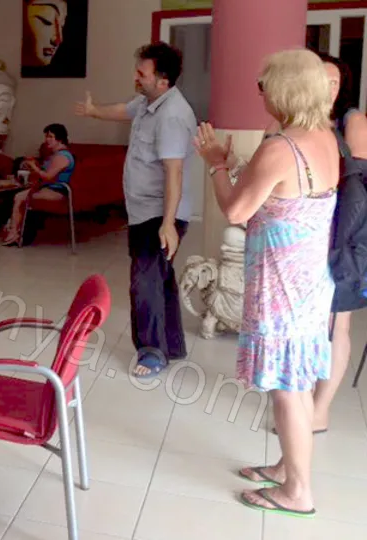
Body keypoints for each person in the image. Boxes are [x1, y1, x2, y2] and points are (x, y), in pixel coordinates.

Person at [194, 48, 338, 518]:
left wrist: (216, 163)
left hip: (281, 287)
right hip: (308, 283)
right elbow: (279, 196)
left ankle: (297, 490)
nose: (259, 92)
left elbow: (236, 210)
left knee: (287, 390)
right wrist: (239, 171)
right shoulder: (323, 136)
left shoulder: (280, 147)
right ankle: (286, 468)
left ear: (284, 91)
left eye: (263, 84)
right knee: (294, 384)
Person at [74, 41, 197, 379]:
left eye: (142, 74)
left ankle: (152, 351)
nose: (136, 77)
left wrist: (169, 224)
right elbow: (122, 111)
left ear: (163, 79)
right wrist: (93, 110)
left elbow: (174, 171)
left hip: (160, 212)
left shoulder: (172, 115)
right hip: (146, 211)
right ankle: (171, 344)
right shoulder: (149, 103)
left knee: (144, 281)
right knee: (160, 277)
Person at [312, 54, 367, 433]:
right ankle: (302, 403)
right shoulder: (302, 121)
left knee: (337, 324)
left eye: (334, 81)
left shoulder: (353, 121)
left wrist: (338, 245)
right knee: (312, 324)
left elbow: (357, 191)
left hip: (344, 234)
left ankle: (320, 409)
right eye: (320, 79)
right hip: (308, 234)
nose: (328, 87)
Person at [3, 123, 75, 246]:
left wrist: (33, 167)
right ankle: (15, 231)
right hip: (48, 188)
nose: (47, 140)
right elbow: (44, 172)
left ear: (60, 139)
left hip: (58, 191)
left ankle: (14, 233)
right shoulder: (55, 155)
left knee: (19, 197)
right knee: (16, 195)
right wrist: (32, 165)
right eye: (46, 136)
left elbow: (48, 176)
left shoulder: (63, 156)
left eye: (50, 136)